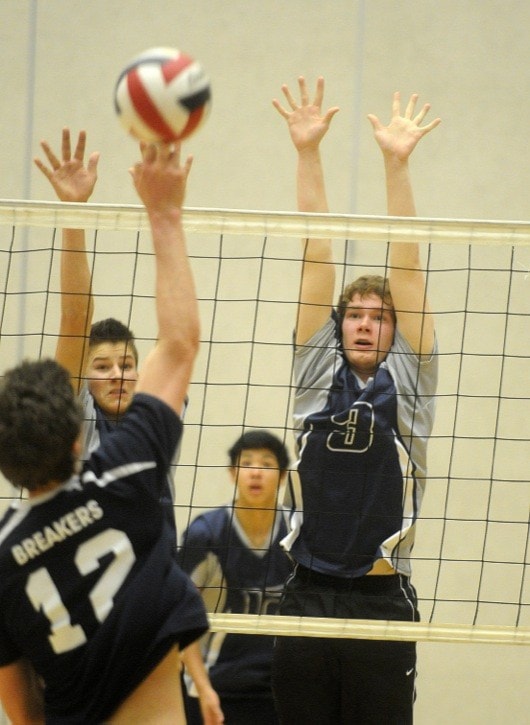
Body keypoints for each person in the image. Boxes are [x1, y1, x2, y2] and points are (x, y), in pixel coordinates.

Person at [0, 141, 209, 723]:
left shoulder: (2, 561)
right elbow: (180, 342)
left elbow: (22, 711)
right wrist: (164, 213)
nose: (116, 374)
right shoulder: (128, 470)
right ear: (76, 437)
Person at [270, 77, 440, 724]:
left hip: (379, 599)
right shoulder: (317, 373)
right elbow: (318, 253)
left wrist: (396, 164)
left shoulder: (412, 384)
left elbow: (409, 272)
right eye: (355, 315)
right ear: (339, 327)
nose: (366, 323)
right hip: (306, 595)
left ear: (396, 331)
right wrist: (307, 152)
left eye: (379, 316)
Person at [178, 430, 293, 725]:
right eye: (247, 463)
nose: (255, 472)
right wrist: (203, 689)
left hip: (280, 691)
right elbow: (180, 618)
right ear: (232, 473)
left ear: (282, 477)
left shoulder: (297, 536)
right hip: (214, 687)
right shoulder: (206, 534)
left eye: (267, 464)